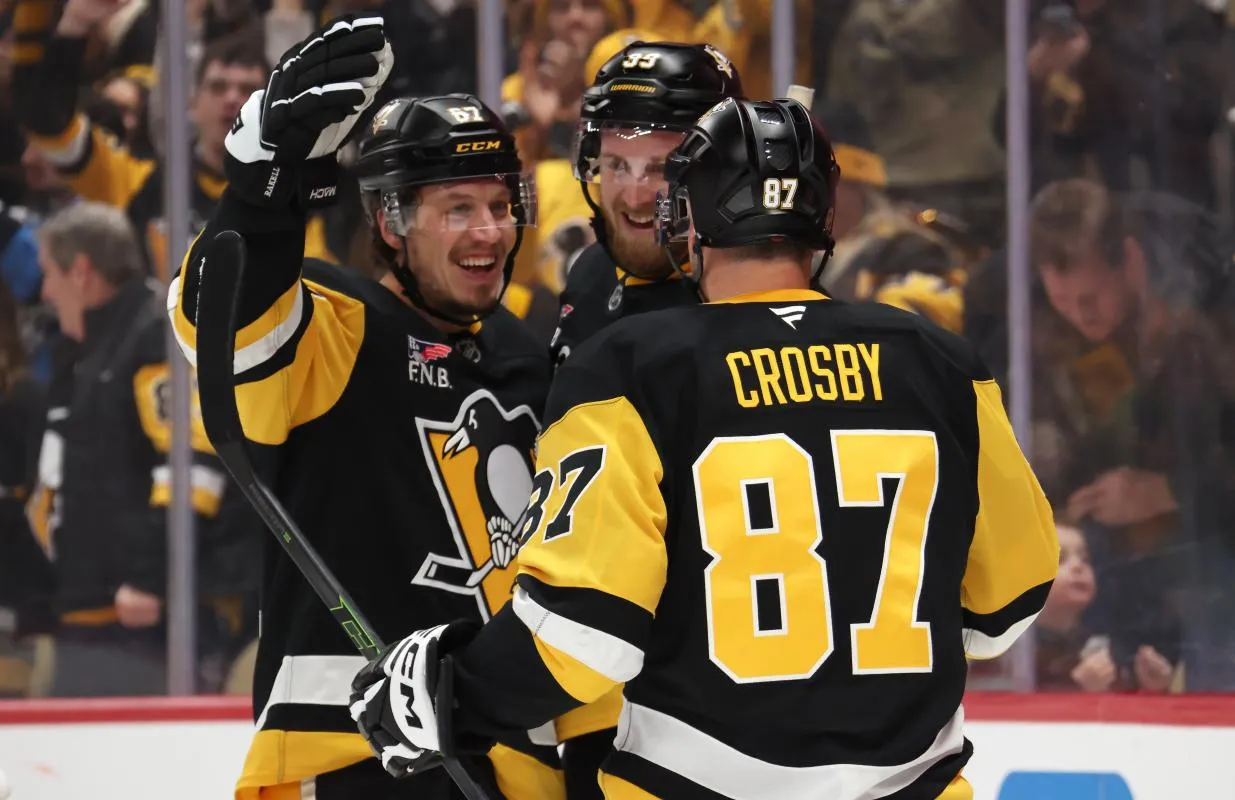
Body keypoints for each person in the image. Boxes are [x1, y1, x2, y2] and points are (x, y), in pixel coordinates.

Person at [350, 97, 1061, 800]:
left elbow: (584, 631)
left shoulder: (628, 368)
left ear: (688, 224)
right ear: (821, 221)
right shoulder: (939, 362)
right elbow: (1008, 606)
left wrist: (445, 694)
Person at [166, 15, 562, 800]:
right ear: (389, 221)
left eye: (498, 204)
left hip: (516, 765)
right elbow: (226, 325)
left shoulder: (528, 354)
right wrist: (262, 197)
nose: (489, 231)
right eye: (458, 209)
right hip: (358, 752)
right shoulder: (336, 326)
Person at [27, 201, 226, 696]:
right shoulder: (87, 346)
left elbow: (189, 466)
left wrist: (149, 578)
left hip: (134, 620)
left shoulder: (152, 336)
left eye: (50, 273)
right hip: (87, 610)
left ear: (81, 271)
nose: (45, 291)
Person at [549, 40, 744, 366]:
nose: (635, 197)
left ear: (723, 172)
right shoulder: (592, 270)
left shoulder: (751, 294)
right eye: (616, 166)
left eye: (662, 170)